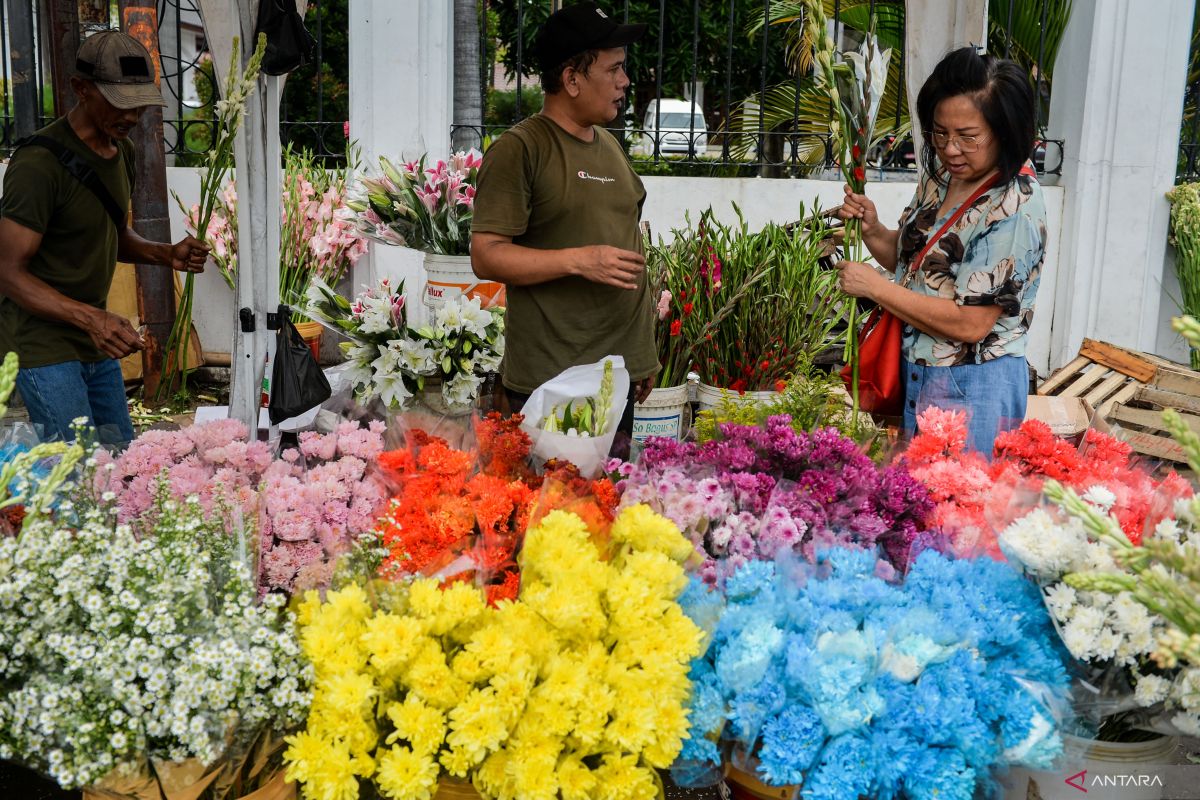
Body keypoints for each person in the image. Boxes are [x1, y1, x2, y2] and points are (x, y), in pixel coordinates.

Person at [0, 31, 208, 445]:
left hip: (95, 338)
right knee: (77, 470)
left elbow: (111, 233)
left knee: (122, 459)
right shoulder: (38, 164)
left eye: (139, 104)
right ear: (81, 88)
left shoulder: (122, 151)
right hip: (42, 345)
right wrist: (92, 318)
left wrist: (166, 254)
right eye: (119, 102)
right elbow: (7, 271)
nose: (131, 116)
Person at [837, 46, 1047, 455]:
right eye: (939, 133)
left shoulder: (1015, 204)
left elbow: (971, 324)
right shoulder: (941, 177)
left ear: (1005, 130)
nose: (950, 149)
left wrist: (875, 288)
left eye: (968, 136)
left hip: (973, 384)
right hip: (918, 373)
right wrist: (873, 229)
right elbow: (915, 266)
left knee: (958, 494)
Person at [470, 2, 658, 454]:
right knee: (551, 498)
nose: (625, 81)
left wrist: (642, 355)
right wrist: (580, 260)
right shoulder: (521, 150)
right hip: (552, 382)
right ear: (572, 79)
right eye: (613, 69)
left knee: (608, 496)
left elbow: (626, 241)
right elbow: (486, 254)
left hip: (617, 376)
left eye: (624, 68)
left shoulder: (610, 146)